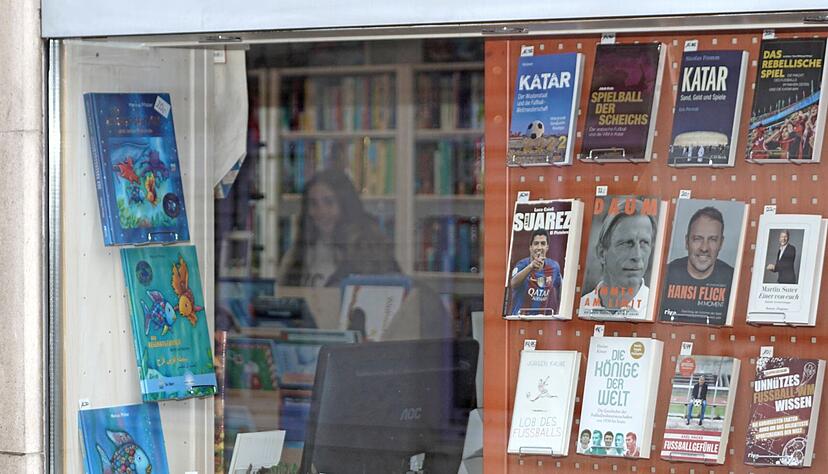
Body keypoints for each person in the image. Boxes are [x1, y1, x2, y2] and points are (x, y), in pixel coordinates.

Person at [277, 168, 400, 287]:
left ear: (346, 206)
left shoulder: (373, 251)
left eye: (329, 202)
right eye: (313, 203)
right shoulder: (297, 254)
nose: (321, 211)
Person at [580, 199, 656, 316]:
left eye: (644, 243)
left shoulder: (655, 309)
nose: (637, 256)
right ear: (601, 253)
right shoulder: (581, 307)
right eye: (627, 243)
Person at [661, 207, 734, 319]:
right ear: (686, 242)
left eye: (713, 239)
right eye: (698, 239)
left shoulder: (733, 280)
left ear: (721, 243)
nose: (704, 248)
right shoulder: (665, 275)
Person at [509, 229, 562, 315]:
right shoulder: (522, 265)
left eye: (543, 244)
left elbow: (560, 286)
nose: (539, 247)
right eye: (536, 243)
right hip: (520, 320)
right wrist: (530, 267)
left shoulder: (554, 267)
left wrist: (559, 311)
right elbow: (513, 283)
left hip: (540, 321)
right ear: (530, 247)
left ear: (547, 247)